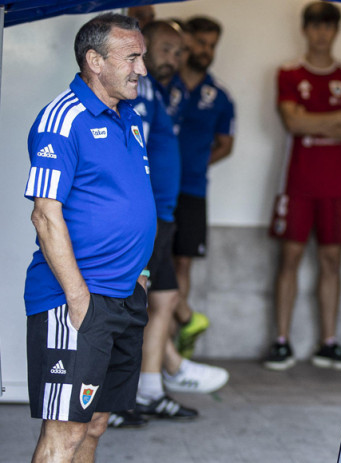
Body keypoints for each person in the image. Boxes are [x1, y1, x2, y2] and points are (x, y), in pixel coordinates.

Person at [23, 13, 156, 461]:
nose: (142, 68)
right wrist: (79, 300)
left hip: (124, 296)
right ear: (95, 61)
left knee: (95, 424)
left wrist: (139, 272)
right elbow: (45, 216)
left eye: (143, 57)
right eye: (132, 57)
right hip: (78, 300)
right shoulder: (63, 119)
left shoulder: (131, 119)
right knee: (66, 433)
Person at [108, 20, 229, 429]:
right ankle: (116, 400)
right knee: (132, 304)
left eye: (178, 52)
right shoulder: (136, 90)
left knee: (161, 301)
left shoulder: (156, 91)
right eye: (164, 49)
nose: (171, 59)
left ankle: (151, 390)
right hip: (143, 217)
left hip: (163, 213)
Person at [264, 1, 341, 371]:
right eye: (315, 26)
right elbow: (293, 124)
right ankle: (280, 341)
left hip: (337, 184)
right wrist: (340, 118)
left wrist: (314, 120)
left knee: (332, 262)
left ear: (336, 30)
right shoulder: (289, 73)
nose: (322, 33)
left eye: (328, 26)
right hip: (298, 182)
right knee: (289, 258)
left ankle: (329, 341)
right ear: (305, 30)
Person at [173, 15, 235, 359]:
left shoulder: (220, 96)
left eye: (211, 45)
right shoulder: (162, 83)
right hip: (156, 190)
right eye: (200, 43)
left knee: (182, 263)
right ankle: (179, 320)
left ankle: (175, 338)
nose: (205, 51)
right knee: (156, 262)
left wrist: (195, 164)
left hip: (193, 189)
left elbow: (226, 144)